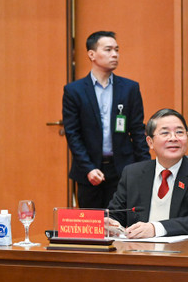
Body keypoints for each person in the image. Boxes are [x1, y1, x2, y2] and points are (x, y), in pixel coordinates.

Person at [62, 31, 150, 208]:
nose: (115, 54)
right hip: (89, 170)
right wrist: (88, 168)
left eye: (117, 50)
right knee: (92, 226)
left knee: (122, 224)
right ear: (92, 54)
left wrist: (145, 168)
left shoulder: (129, 88)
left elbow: (138, 130)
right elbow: (73, 134)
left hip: (123, 169)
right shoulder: (74, 91)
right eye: (108, 50)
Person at [107, 108, 188, 238]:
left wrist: (155, 228)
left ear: (187, 137)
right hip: (137, 252)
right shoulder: (133, 173)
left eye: (179, 132)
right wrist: (111, 224)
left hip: (183, 252)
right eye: (165, 133)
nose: (173, 138)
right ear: (150, 142)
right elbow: (115, 213)